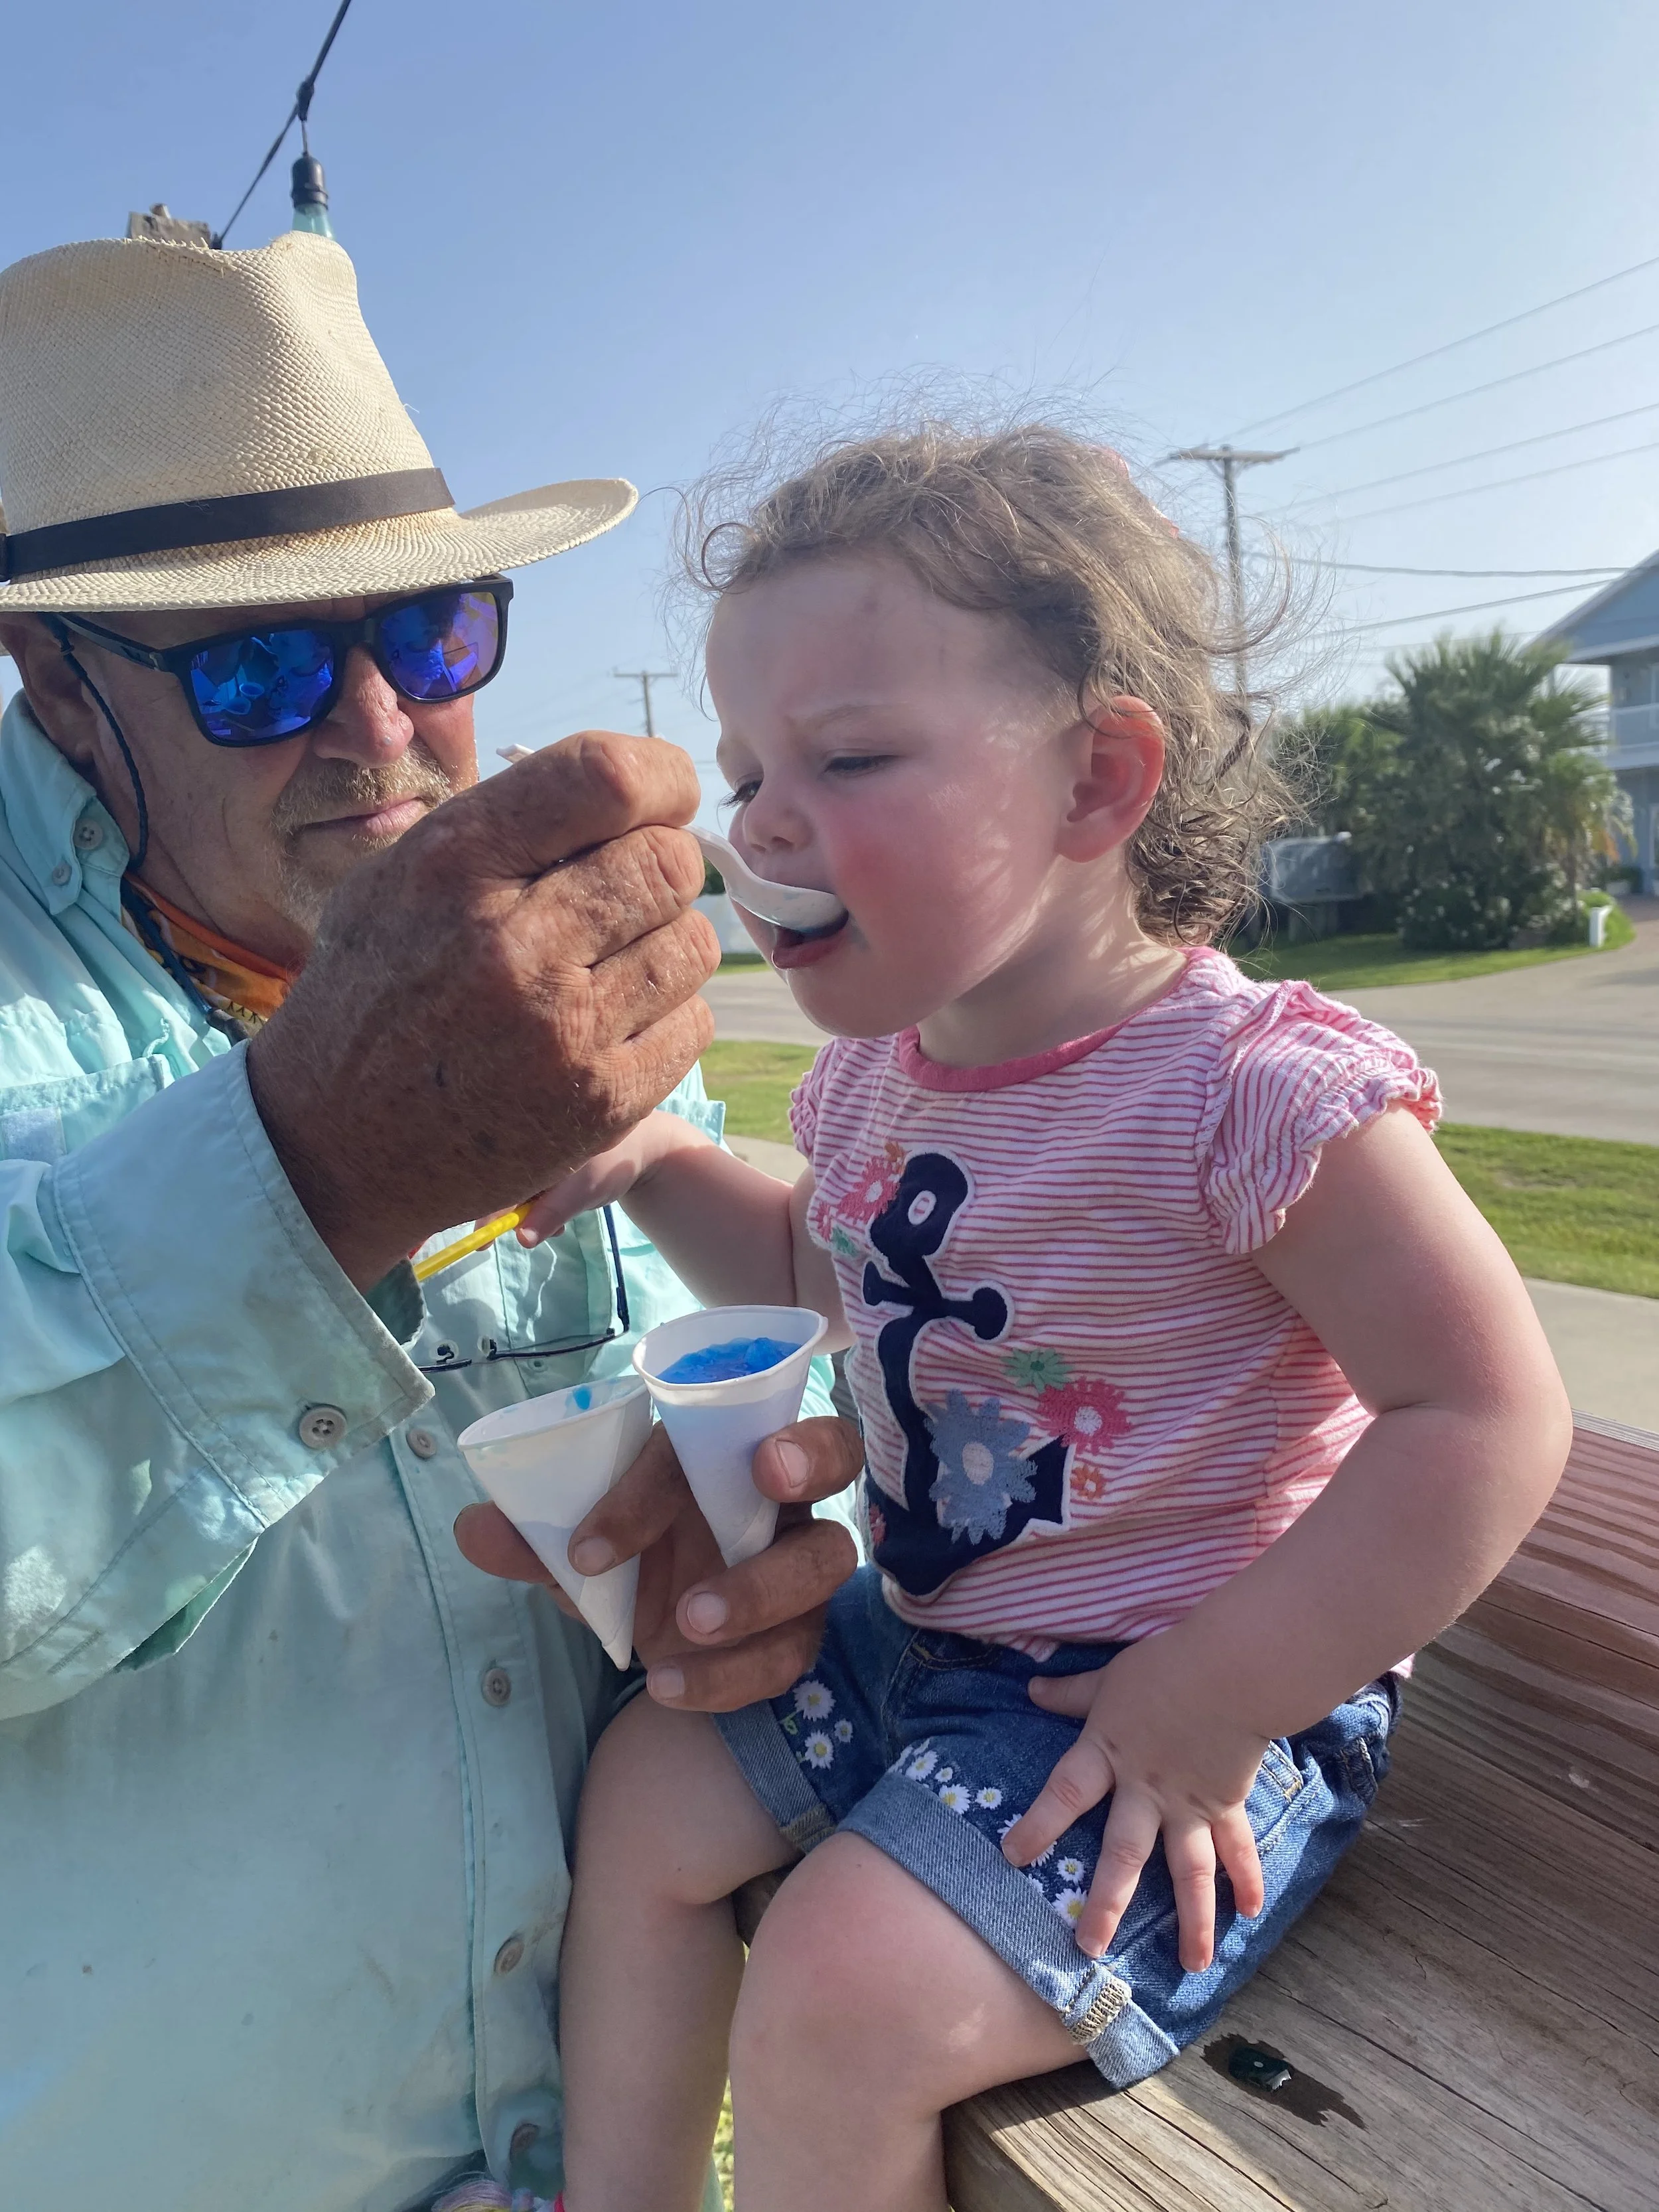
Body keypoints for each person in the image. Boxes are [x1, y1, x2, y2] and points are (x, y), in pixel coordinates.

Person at [519, 425, 1575, 2212]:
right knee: (643, 1792)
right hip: (930, 1648)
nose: (760, 821)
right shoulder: (871, 1082)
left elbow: (1485, 1413)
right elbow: (817, 1271)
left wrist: (1221, 1692)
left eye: (841, 757)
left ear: (1095, 783)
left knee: (844, 1991)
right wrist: (647, 1160)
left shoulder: (1247, 1091)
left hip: (1164, 1706)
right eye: (747, 765)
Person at [0, 229, 859, 2212]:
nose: (381, 726)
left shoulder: (550, 962)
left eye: (435, 632)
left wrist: (752, 1550)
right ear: (53, 683)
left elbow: (736, 1388)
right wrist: (319, 1161)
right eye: (260, 665)